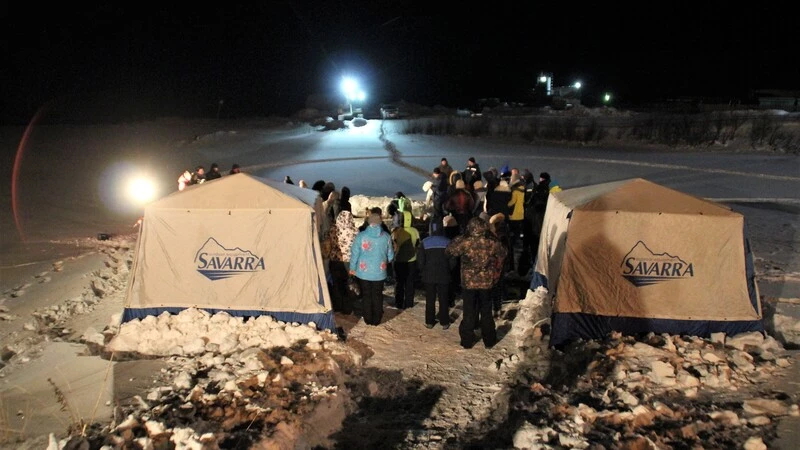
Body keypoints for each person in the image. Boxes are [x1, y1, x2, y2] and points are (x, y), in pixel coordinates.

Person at [445, 217, 507, 349]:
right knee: (486, 311)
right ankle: (489, 341)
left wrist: (460, 237)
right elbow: (503, 252)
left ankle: (467, 341)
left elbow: (449, 251)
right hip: (486, 282)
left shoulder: (465, 241)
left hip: (469, 283)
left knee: (469, 311)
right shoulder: (491, 241)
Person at [350, 208, 395, 326]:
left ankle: (368, 318)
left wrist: (352, 268)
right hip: (379, 272)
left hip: (363, 271)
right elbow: (390, 255)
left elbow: (355, 254)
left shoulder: (361, 236)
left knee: (366, 295)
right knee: (377, 294)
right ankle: (377, 319)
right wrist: (385, 261)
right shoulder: (386, 236)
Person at [417, 223, 457, 329]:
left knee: (430, 299)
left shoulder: (424, 242)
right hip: (444, 275)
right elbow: (453, 260)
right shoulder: (448, 242)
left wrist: (423, 271)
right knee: (443, 298)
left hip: (429, 275)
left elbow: (420, 261)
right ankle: (444, 322)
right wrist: (448, 269)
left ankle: (429, 321)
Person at [325, 210, 358, 314]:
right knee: (348, 284)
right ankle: (348, 308)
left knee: (337, 284)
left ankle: (338, 306)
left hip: (335, 260)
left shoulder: (333, 229)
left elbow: (328, 244)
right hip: (350, 262)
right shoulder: (355, 231)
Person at [391, 207, 420, 309]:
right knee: (410, 283)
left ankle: (398, 303)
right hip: (411, 260)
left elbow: (392, 245)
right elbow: (417, 244)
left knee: (399, 283)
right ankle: (409, 303)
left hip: (398, 260)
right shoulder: (415, 231)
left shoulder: (396, 231)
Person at [506, 173, 526, 272]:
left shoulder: (515, 191)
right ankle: (518, 240)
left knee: (513, 232)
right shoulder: (523, 191)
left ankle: (513, 242)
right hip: (521, 214)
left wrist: (506, 204)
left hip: (514, 215)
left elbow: (512, 202)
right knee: (518, 231)